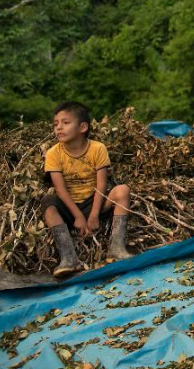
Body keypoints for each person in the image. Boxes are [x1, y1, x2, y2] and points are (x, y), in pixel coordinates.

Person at [41, 102, 134, 276]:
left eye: (66, 123)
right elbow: (60, 189)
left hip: (94, 201)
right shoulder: (54, 153)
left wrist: (93, 215)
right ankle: (69, 258)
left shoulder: (97, 149)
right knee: (49, 203)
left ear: (83, 127)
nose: (59, 127)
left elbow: (101, 185)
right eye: (56, 124)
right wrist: (77, 216)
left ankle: (116, 248)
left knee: (122, 190)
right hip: (69, 206)